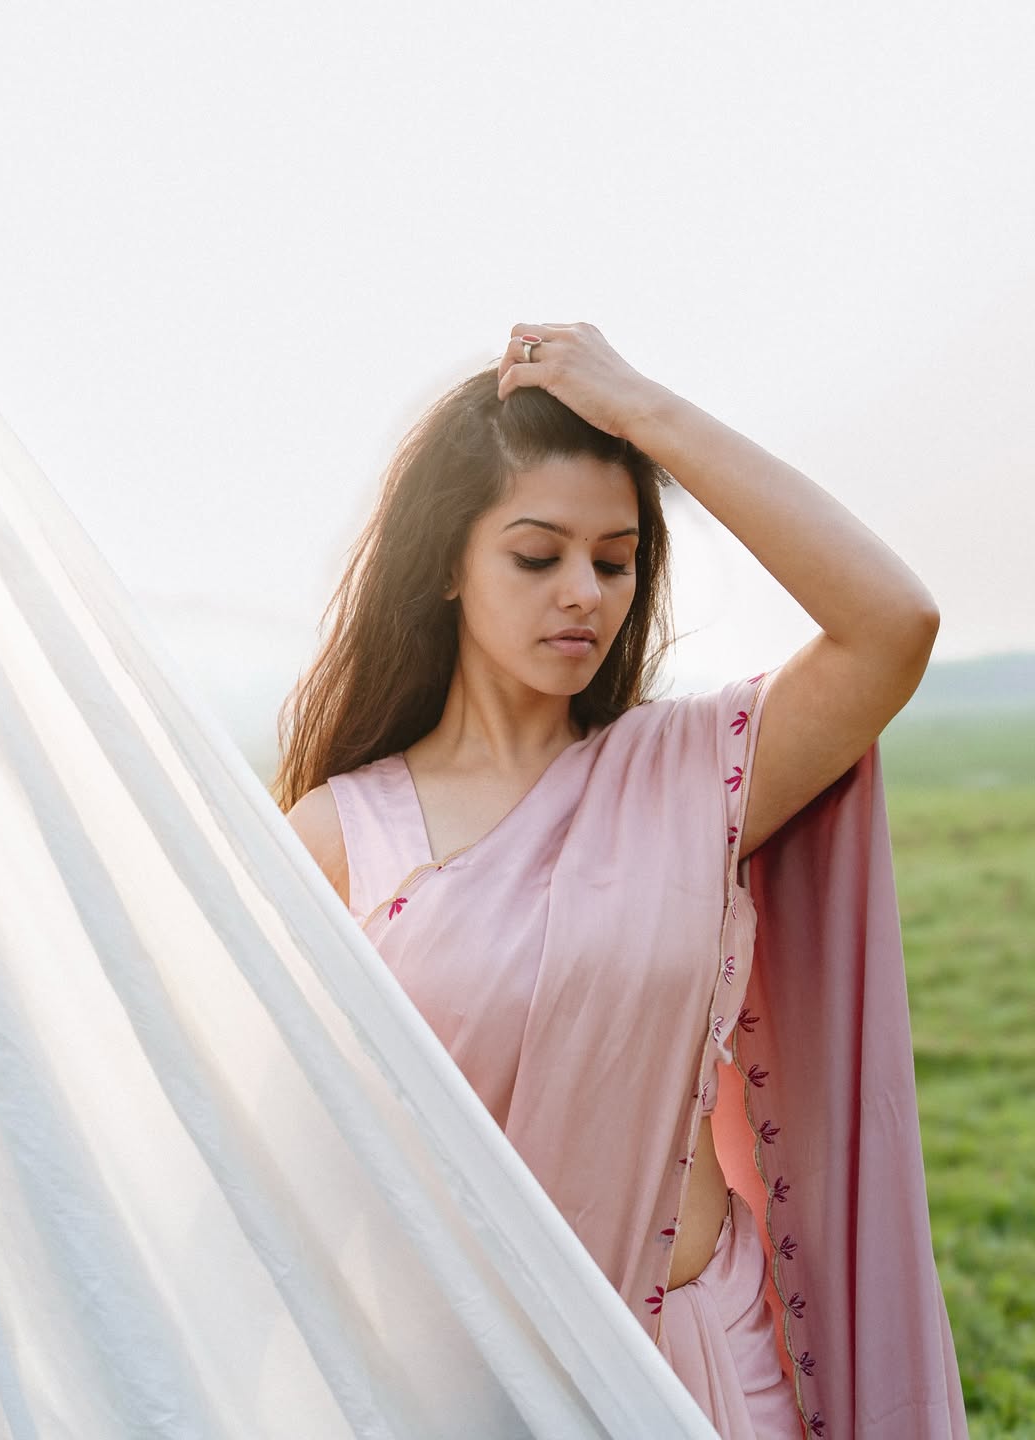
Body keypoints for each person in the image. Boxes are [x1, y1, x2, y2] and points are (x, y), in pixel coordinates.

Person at [275, 322, 952, 1437]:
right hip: (482, 1386)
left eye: (617, 557)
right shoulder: (339, 836)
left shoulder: (690, 774)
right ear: (448, 563)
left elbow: (893, 623)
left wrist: (646, 413)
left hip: (713, 1359)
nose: (584, 593)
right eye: (537, 556)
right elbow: (286, 1157)